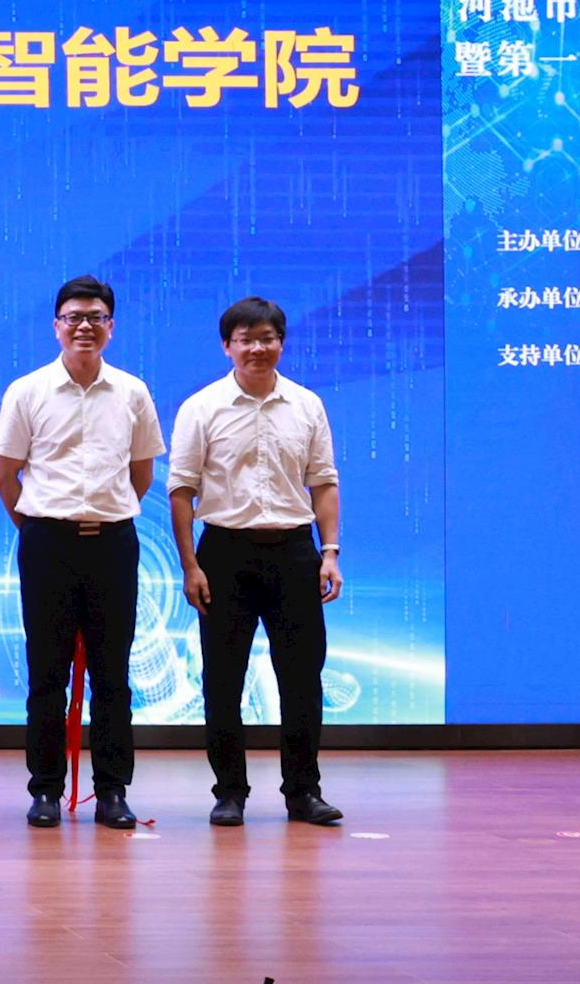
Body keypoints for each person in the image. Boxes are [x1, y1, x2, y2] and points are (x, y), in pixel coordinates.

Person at [0, 275, 164, 830]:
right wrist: (40, 525)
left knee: (113, 674)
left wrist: (105, 511)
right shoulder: (27, 391)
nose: (84, 326)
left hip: (112, 544)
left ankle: (112, 792)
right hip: (48, 544)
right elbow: (5, 475)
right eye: (73, 317)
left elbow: (142, 473)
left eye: (95, 317)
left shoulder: (132, 392)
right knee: (47, 673)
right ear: (56, 326)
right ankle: (44, 790)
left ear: (111, 327)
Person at [167, 296, 345, 826]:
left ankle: (303, 792)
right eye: (245, 339)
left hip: (294, 552)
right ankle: (229, 792)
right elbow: (181, 491)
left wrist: (329, 552)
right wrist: (189, 566)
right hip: (224, 553)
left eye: (267, 338)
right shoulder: (201, 407)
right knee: (223, 681)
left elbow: (324, 482)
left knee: (302, 678)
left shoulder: (307, 405)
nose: (257, 348)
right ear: (228, 346)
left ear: (281, 343)